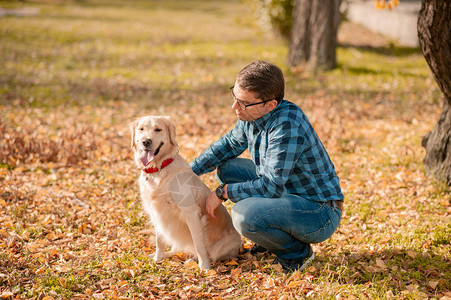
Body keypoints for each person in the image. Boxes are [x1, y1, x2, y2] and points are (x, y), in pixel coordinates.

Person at [190, 61, 344, 272]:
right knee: (228, 169)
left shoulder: (287, 126)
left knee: (244, 216)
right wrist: (188, 171)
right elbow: (228, 145)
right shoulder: (251, 114)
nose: (235, 107)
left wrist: (223, 192)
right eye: (234, 97)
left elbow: (271, 187)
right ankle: (269, 234)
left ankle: (297, 254)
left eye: (243, 102)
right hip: (287, 191)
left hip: (318, 212)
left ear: (270, 104)